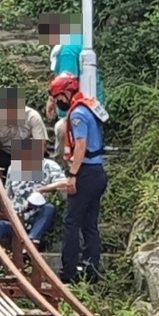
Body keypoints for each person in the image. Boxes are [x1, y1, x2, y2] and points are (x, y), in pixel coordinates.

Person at [48, 72, 108, 284]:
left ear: (66, 93)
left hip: (86, 173)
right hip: (98, 171)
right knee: (90, 224)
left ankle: (70, 270)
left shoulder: (77, 114)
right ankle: (92, 270)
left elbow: (81, 145)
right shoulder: (89, 107)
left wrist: (72, 175)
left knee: (72, 222)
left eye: (58, 98)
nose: (58, 103)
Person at [37, 12, 106, 157]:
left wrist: (52, 100)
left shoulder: (67, 51)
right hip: (94, 101)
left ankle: (64, 167)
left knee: (62, 129)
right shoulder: (80, 40)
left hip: (81, 103)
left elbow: (66, 82)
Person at [0, 138, 63, 256]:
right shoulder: (14, 168)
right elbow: (7, 194)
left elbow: (63, 183)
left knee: (49, 208)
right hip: (16, 219)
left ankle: (32, 243)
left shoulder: (49, 165)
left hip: (37, 216)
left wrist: (44, 189)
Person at [0, 87, 48, 172]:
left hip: (27, 155)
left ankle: (24, 180)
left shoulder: (32, 117)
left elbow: (41, 146)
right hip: (4, 154)